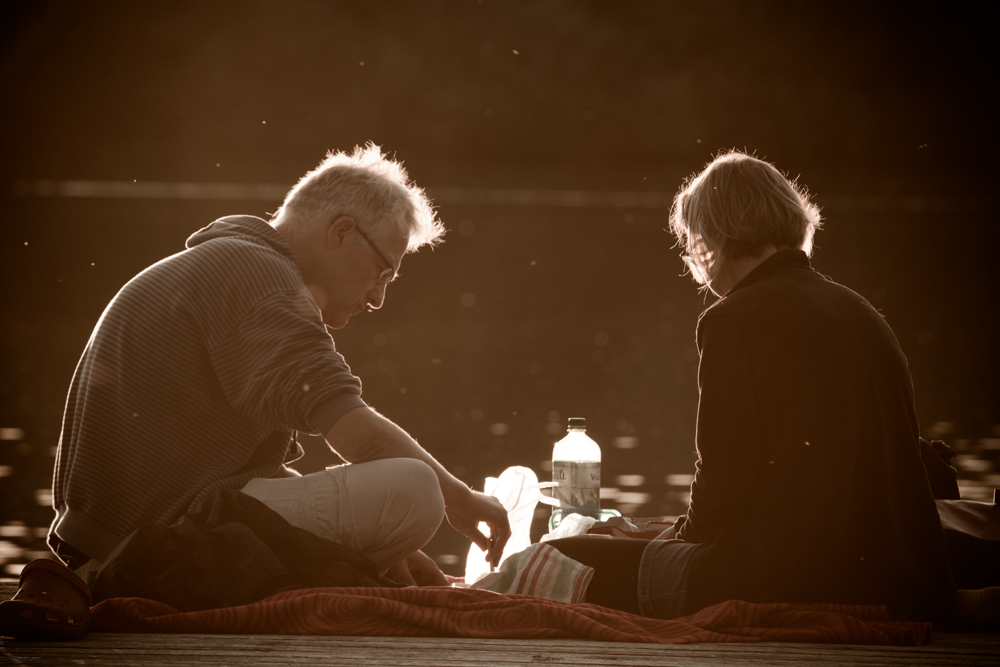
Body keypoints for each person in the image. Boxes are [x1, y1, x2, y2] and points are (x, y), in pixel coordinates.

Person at [548, 150, 997, 628]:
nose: (694, 257)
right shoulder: (859, 310)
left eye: (694, 239)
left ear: (714, 235)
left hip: (788, 571)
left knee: (562, 556)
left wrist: (676, 541)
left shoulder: (732, 320)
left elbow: (725, 477)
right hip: (892, 570)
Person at [47, 144, 510, 587]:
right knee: (416, 489)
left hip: (120, 535)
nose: (377, 297)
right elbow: (354, 432)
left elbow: (243, 477)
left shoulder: (233, 261)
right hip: (146, 546)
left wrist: (385, 540)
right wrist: (460, 501)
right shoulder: (255, 272)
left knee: (401, 495)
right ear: (341, 232)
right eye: (382, 271)